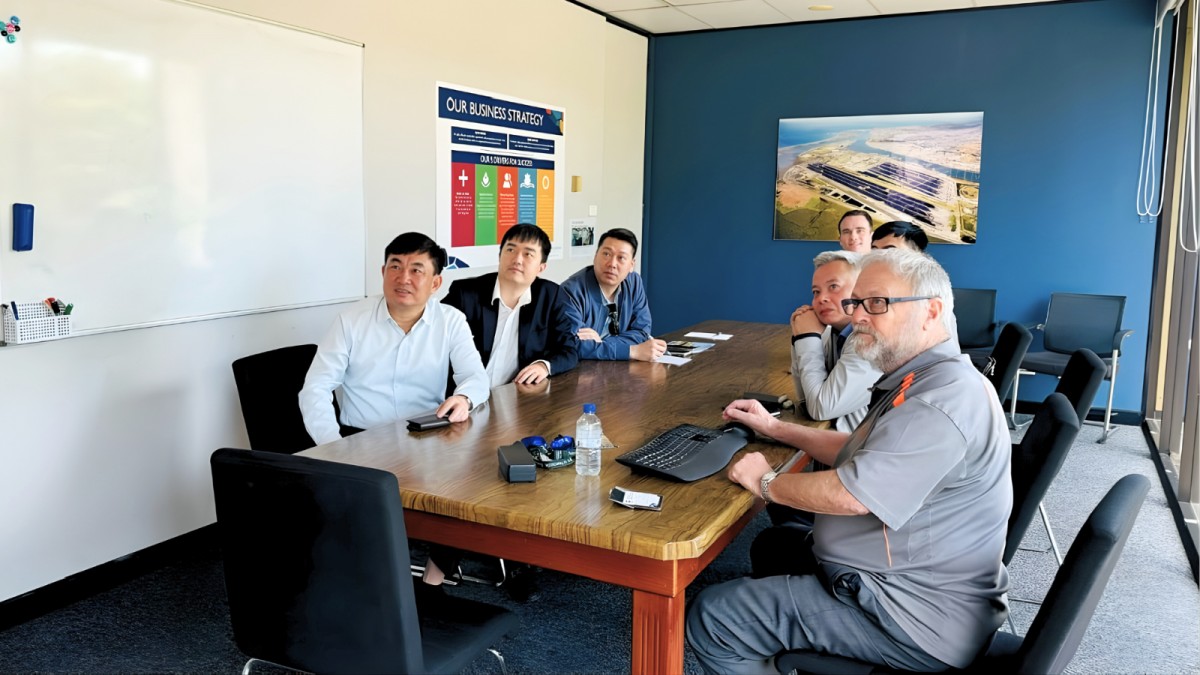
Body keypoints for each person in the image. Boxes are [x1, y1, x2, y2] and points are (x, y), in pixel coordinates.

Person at [686, 249, 1011, 674]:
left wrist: (766, 482)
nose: (856, 315)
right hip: (916, 585)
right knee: (775, 545)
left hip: (910, 615)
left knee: (713, 618)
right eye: (856, 302)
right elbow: (858, 449)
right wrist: (775, 428)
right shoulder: (927, 378)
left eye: (876, 303)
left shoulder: (938, 403)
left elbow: (851, 495)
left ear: (931, 312)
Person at [298, 232, 490, 595]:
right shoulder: (351, 320)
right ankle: (376, 589)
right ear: (382, 271)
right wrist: (333, 447)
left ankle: (432, 582)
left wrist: (464, 397)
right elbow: (315, 389)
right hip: (361, 440)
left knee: (471, 489)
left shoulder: (450, 320)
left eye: (417, 270)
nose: (404, 278)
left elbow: (476, 378)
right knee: (368, 518)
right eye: (395, 267)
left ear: (436, 282)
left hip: (427, 438)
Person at [442, 223, 579, 386]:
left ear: (541, 267)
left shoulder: (551, 296)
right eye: (511, 250)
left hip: (515, 394)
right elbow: (432, 338)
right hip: (462, 394)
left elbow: (568, 350)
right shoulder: (465, 294)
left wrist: (543, 366)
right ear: (500, 256)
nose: (517, 259)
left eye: (528, 254)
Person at [789, 250, 881, 432]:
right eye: (816, 292)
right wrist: (799, 336)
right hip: (840, 441)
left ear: (860, 290)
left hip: (871, 446)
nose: (821, 298)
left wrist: (806, 338)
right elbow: (806, 399)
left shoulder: (870, 339)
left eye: (833, 287)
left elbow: (820, 409)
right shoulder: (832, 333)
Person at [561, 227, 666, 361]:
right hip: (583, 369)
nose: (612, 264)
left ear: (631, 265)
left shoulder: (634, 282)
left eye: (621, 258)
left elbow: (642, 331)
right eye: (606, 254)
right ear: (595, 256)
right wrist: (631, 351)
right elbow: (572, 345)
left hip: (618, 366)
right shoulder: (570, 292)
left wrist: (601, 344)